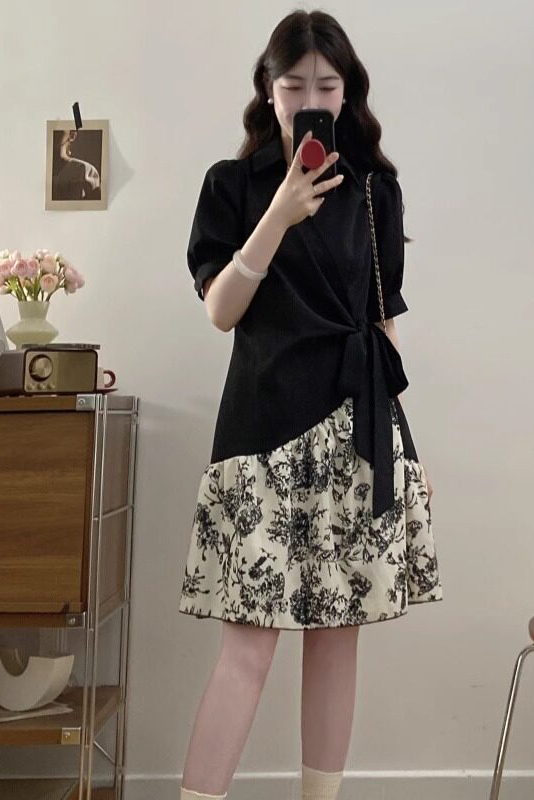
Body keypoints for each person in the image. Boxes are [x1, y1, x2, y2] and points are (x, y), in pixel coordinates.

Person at [178, 10, 443, 800]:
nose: (310, 100)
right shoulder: (231, 186)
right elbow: (221, 310)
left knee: (335, 642)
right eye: (294, 85)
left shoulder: (375, 190)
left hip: (357, 432)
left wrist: (407, 451)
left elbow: (383, 326)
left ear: (347, 92)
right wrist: (279, 214)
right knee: (248, 647)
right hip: (262, 430)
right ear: (269, 89)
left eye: (326, 86)